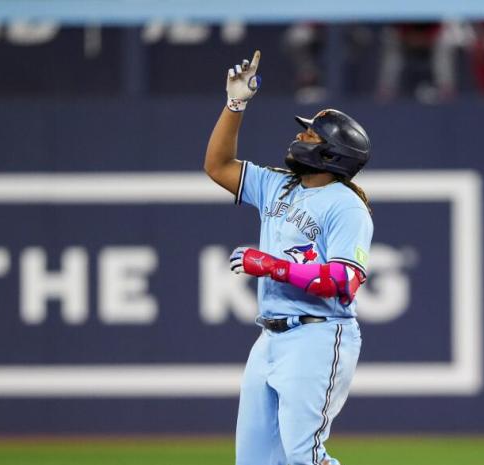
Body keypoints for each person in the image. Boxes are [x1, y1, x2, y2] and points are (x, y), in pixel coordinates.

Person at [204, 50, 374, 465]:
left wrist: (273, 266)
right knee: (256, 461)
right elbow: (217, 165)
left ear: (332, 154)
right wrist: (235, 105)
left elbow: (343, 283)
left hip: (318, 334)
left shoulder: (346, 206)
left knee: (304, 455)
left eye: (311, 136)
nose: (300, 137)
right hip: (270, 338)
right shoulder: (280, 187)